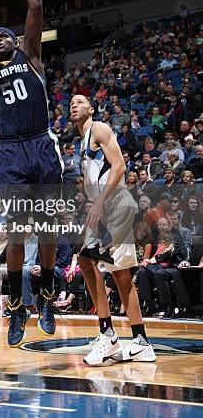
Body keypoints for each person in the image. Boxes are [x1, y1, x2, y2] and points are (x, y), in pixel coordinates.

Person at [0, 0, 64, 347]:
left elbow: (35, 8)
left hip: (41, 145)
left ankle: (47, 293)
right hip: (10, 150)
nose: (0, 37)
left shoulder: (30, 56)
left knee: (46, 231)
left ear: (16, 42)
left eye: (4, 34)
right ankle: (17, 305)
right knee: (16, 234)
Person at [70, 94, 155, 366]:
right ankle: (136, 341)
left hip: (115, 203)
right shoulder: (82, 141)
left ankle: (111, 336)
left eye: (80, 101)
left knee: (98, 265)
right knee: (105, 270)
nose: (74, 104)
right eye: (71, 102)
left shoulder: (99, 128)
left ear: (91, 109)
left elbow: (119, 166)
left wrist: (100, 204)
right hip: (103, 208)